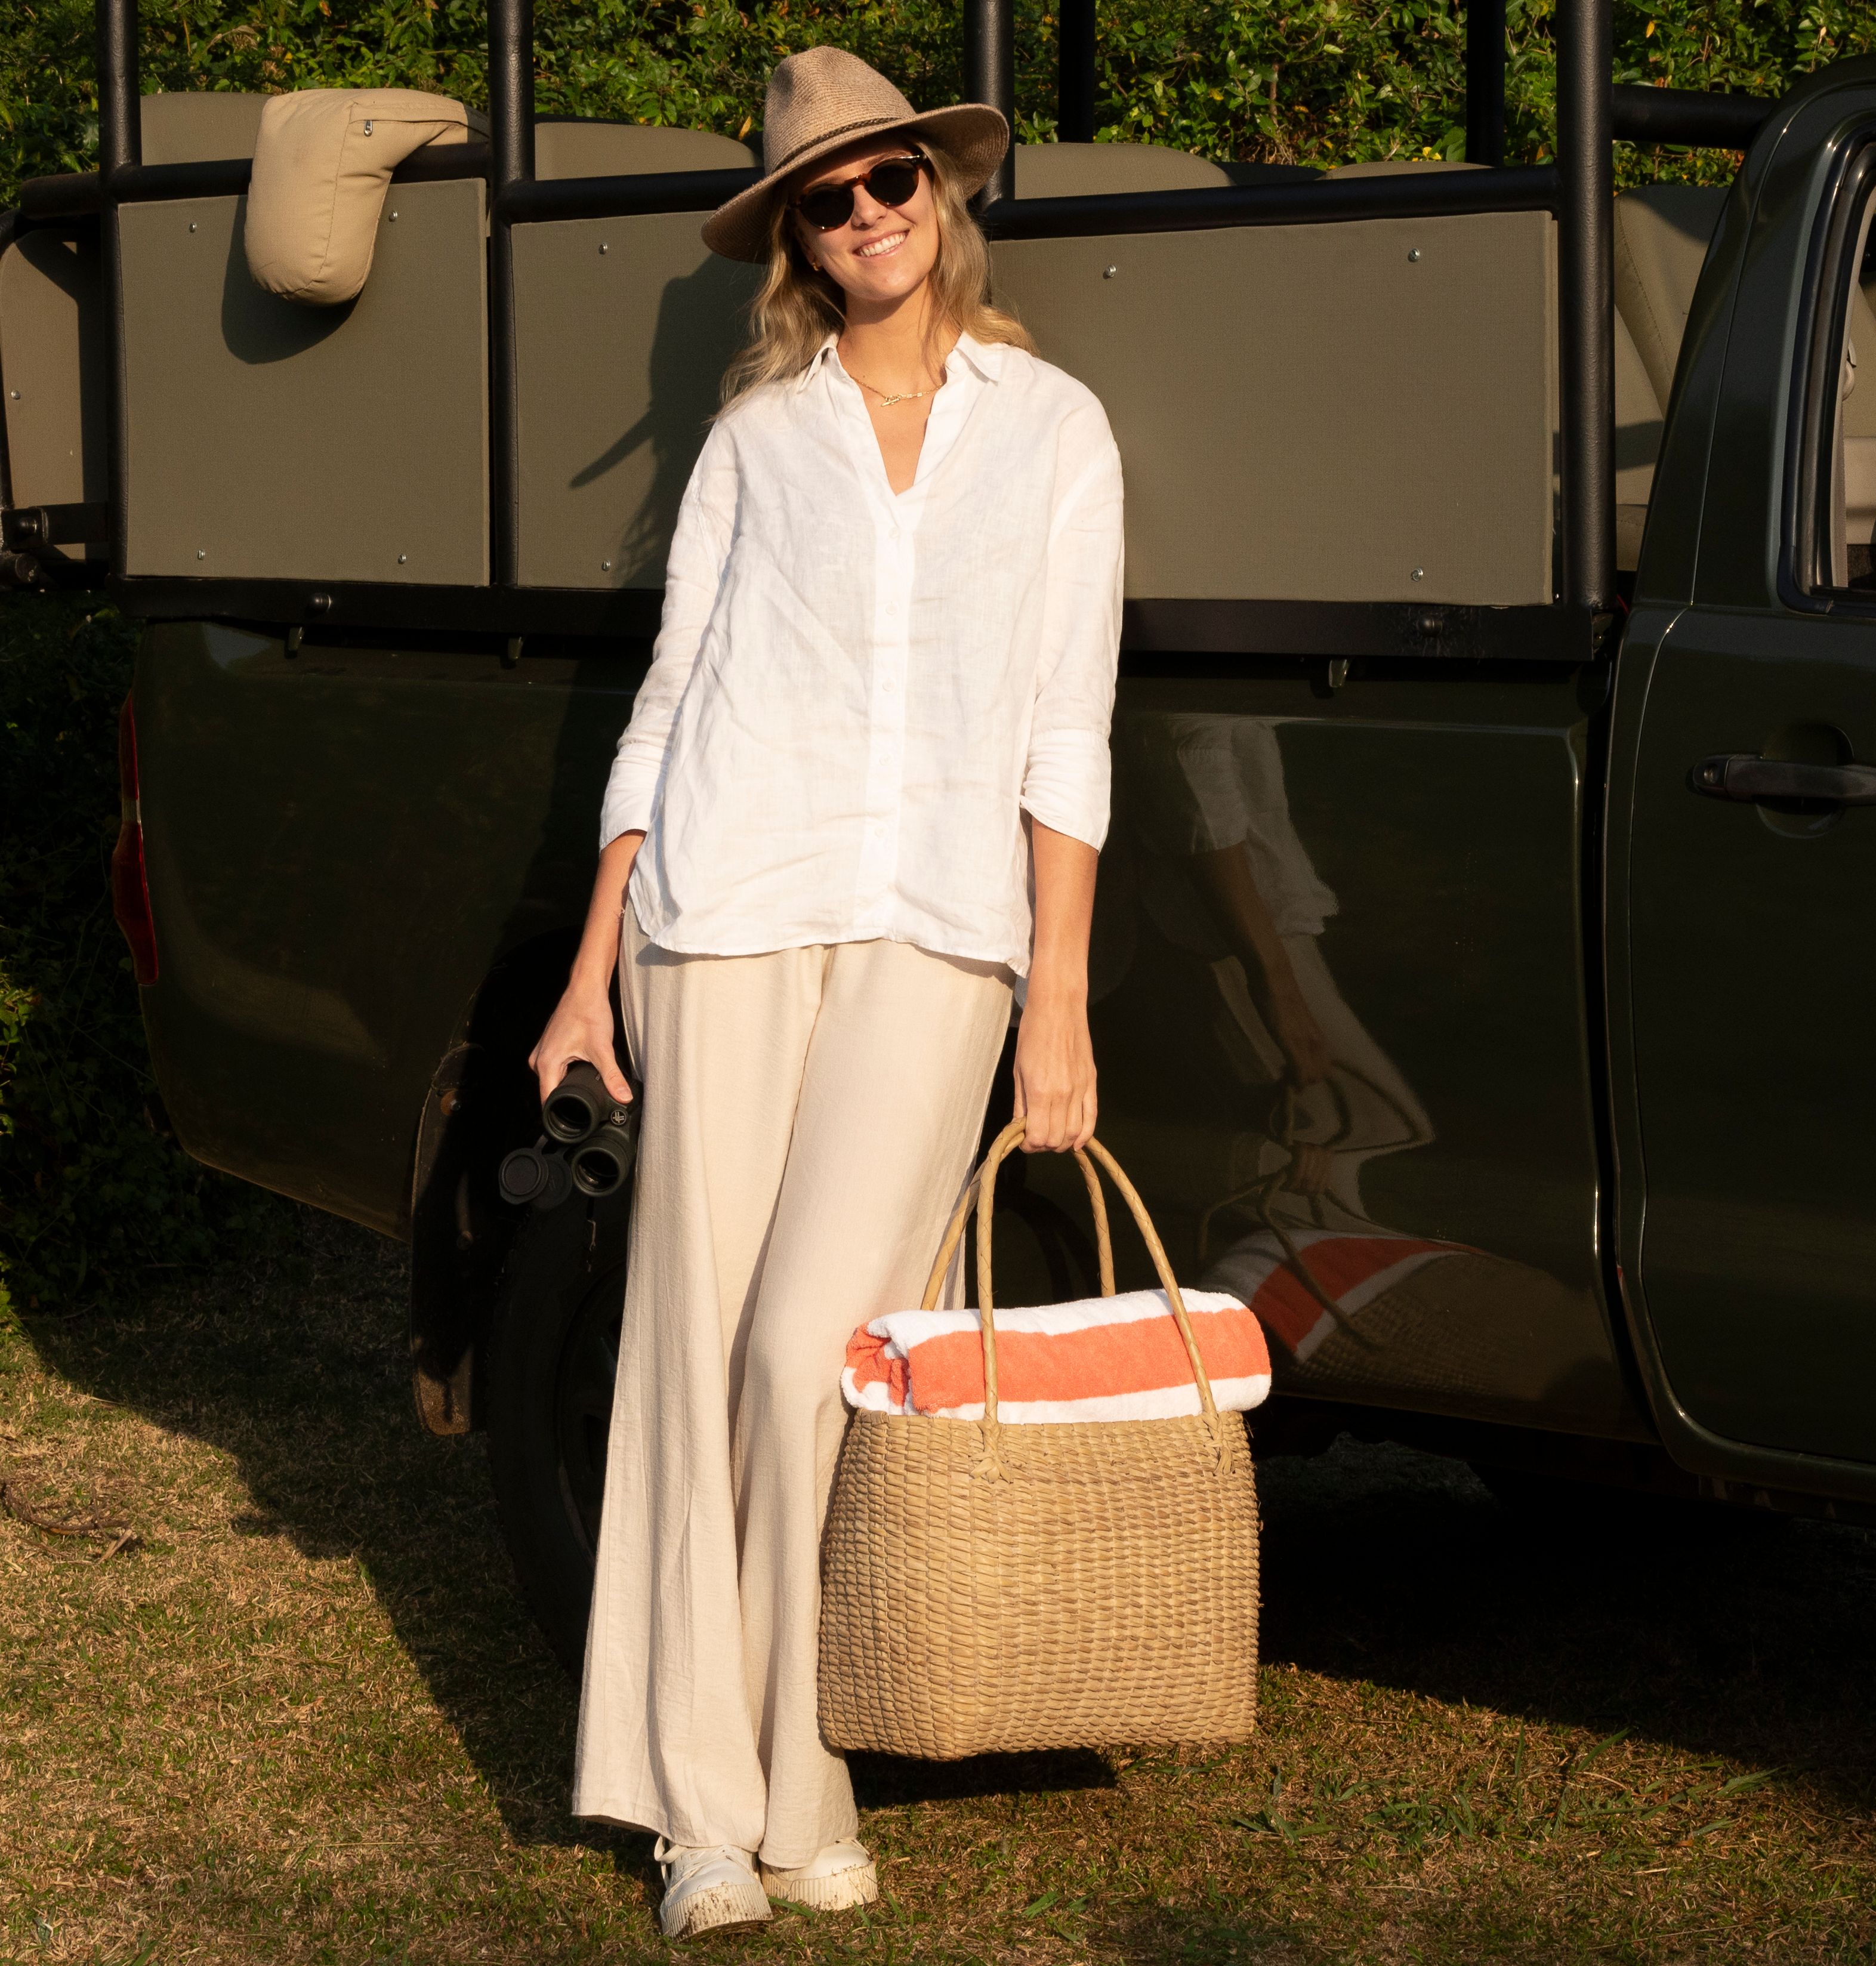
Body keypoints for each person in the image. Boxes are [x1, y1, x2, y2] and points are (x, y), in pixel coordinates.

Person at [524, 44, 1124, 1940]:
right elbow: (673, 702)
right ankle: (711, 1808)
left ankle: (812, 1763)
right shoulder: (757, 439)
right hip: (729, 917)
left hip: (945, 934)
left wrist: (1063, 1004)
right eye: (827, 198)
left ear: (941, 195)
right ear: (792, 237)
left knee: (815, 1359)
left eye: (891, 182)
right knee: (693, 1358)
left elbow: (1067, 732)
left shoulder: (1055, 430)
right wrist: (585, 978)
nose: (867, 216)